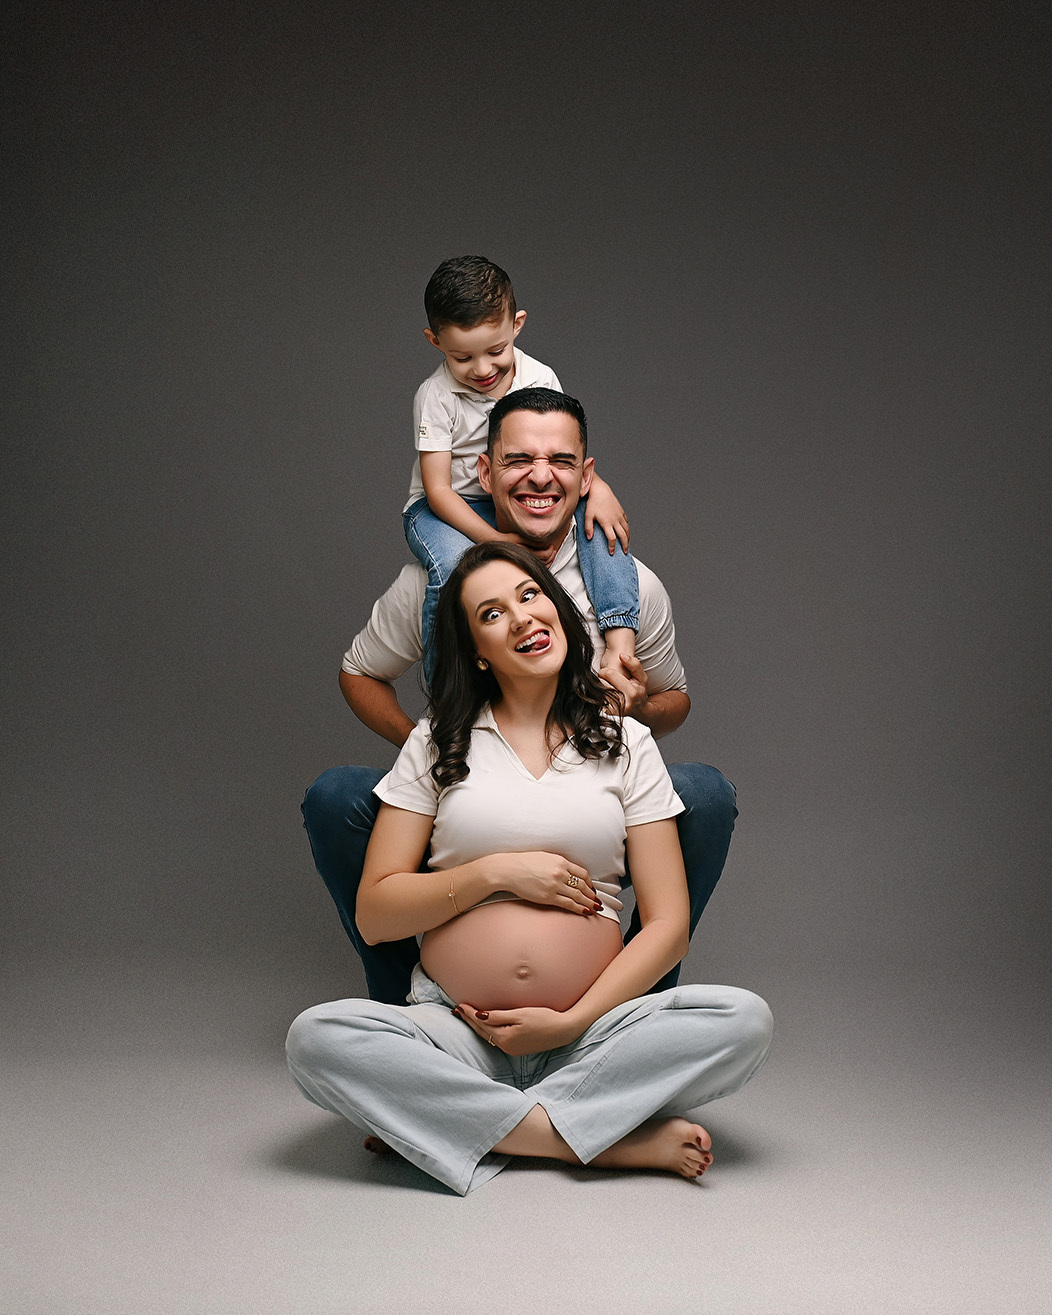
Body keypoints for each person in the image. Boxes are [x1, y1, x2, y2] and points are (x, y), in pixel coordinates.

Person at [286, 543, 773, 1195]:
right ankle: (591, 1141)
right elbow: (375, 913)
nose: (520, 618)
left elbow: (667, 926)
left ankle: (453, 1121)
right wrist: (496, 873)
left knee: (744, 1020)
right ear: (477, 651)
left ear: (559, 611)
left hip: (593, 1033)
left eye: (529, 595)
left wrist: (572, 1021)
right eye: (491, 613)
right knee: (316, 1039)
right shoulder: (437, 739)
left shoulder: (627, 742)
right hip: (455, 1030)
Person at [304, 387, 738, 1005]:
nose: (540, 477)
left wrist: (634, 707)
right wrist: (435, 759)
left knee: (704, 794)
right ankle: (405, 1001)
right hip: (469, 800)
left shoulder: (629, 586)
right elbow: (359, 673)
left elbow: (675, 700)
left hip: (591, 794)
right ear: (484, 472)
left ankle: (635, 1001)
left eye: (561, 461)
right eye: (518, 461)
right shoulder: (435, 585)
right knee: (336, 796)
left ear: (586, 475)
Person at [404, 256, 638, 681]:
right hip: (443, 507)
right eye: (462, 357)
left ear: (517, 325)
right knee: (455, 567)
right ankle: (446, 686)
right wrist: (496, 542)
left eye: (496, 351)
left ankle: (619, 643)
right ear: (434, 341)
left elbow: (561, 448)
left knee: (601, 526)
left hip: (509, 493)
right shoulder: (435, 396)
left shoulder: (539, 377)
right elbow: (438, 490)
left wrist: (599, 488)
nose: (482, 369)